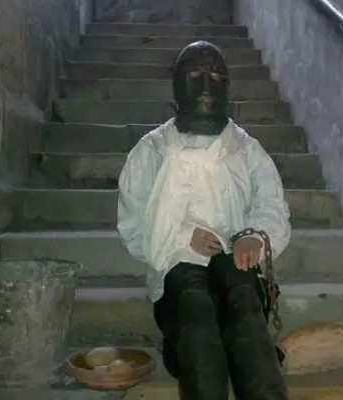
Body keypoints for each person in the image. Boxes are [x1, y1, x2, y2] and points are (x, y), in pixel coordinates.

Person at [117, 40, 291, 400]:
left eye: (215, 75)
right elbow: (133, 223)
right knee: (194, 307)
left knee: (244, 303)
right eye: (195, 74)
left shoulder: (247, 149)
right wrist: (182, 237)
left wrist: (255, 238)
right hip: (177, 261)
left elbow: (271, 204)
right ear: (178, 83)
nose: (206, 85)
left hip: (235, 258)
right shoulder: (151, 150)